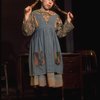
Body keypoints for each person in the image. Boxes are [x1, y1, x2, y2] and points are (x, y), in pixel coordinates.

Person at [22, 0, 74, 99]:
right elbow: (27, 32)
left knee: (53, 82)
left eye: (53, 0)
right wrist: (26, 15)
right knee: (40, 79)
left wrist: (68, 20)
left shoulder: (55, 16)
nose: (50, 2)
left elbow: (61, 33)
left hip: (53, 49)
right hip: (39, 48)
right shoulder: (34, 14)